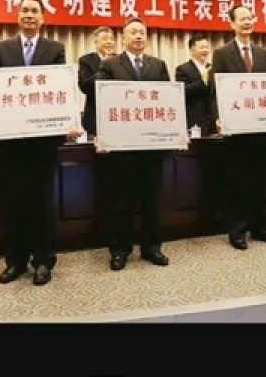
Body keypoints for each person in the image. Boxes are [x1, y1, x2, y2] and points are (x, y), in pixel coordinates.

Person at [0, 0, 81, 286]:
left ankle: (43, 261)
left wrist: (68, 119)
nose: (29, 15)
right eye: (25, 10)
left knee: (43, 202)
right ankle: (15, 261)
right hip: (12, 144)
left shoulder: (55, 49)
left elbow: (60, 90)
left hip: (43, 142)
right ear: (17, 16)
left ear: (43, 18)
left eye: (34, 11)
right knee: (15, 202)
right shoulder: (2, 49)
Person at [96, 17, 171, 271]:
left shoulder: (158, 65)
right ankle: (119, 250)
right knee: (121, 202)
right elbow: (103, 102)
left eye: (142, 32)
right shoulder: (110, 65)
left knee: (152, 201)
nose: (138, 36)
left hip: (152, 148)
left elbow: (168, 101)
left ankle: (152, 247)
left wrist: (173, 134)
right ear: (124, 38)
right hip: (122, 149)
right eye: (133, 33)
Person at [209, 4, 266, 250]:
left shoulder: (263, 54)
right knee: (237, 182)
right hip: (236, 130)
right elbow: (215, 90)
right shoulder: (221, 54)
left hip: (260, 129)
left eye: (250, 18)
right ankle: (237, 231)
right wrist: (218, 118)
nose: (247, 22)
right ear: (231, 23)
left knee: (260, 180)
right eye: (242, 19)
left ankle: (261, 227)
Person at [78, 26, 116, 137]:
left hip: (115, 115)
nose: (108, 42)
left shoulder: (120, 60)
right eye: (104, 39)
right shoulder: (86, 60)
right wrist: (104, 66)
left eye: (111, 39)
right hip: (94, 117)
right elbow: (84, 87)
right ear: (96, 42)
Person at [175, 32, 212, 136]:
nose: (205, 50)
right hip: (194, 120)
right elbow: (182, 92)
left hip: (211, 121)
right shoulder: (182, 69)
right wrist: (202, 82)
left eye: (207, 47)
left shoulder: (212, 68)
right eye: (201, 47)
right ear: (192, 50)